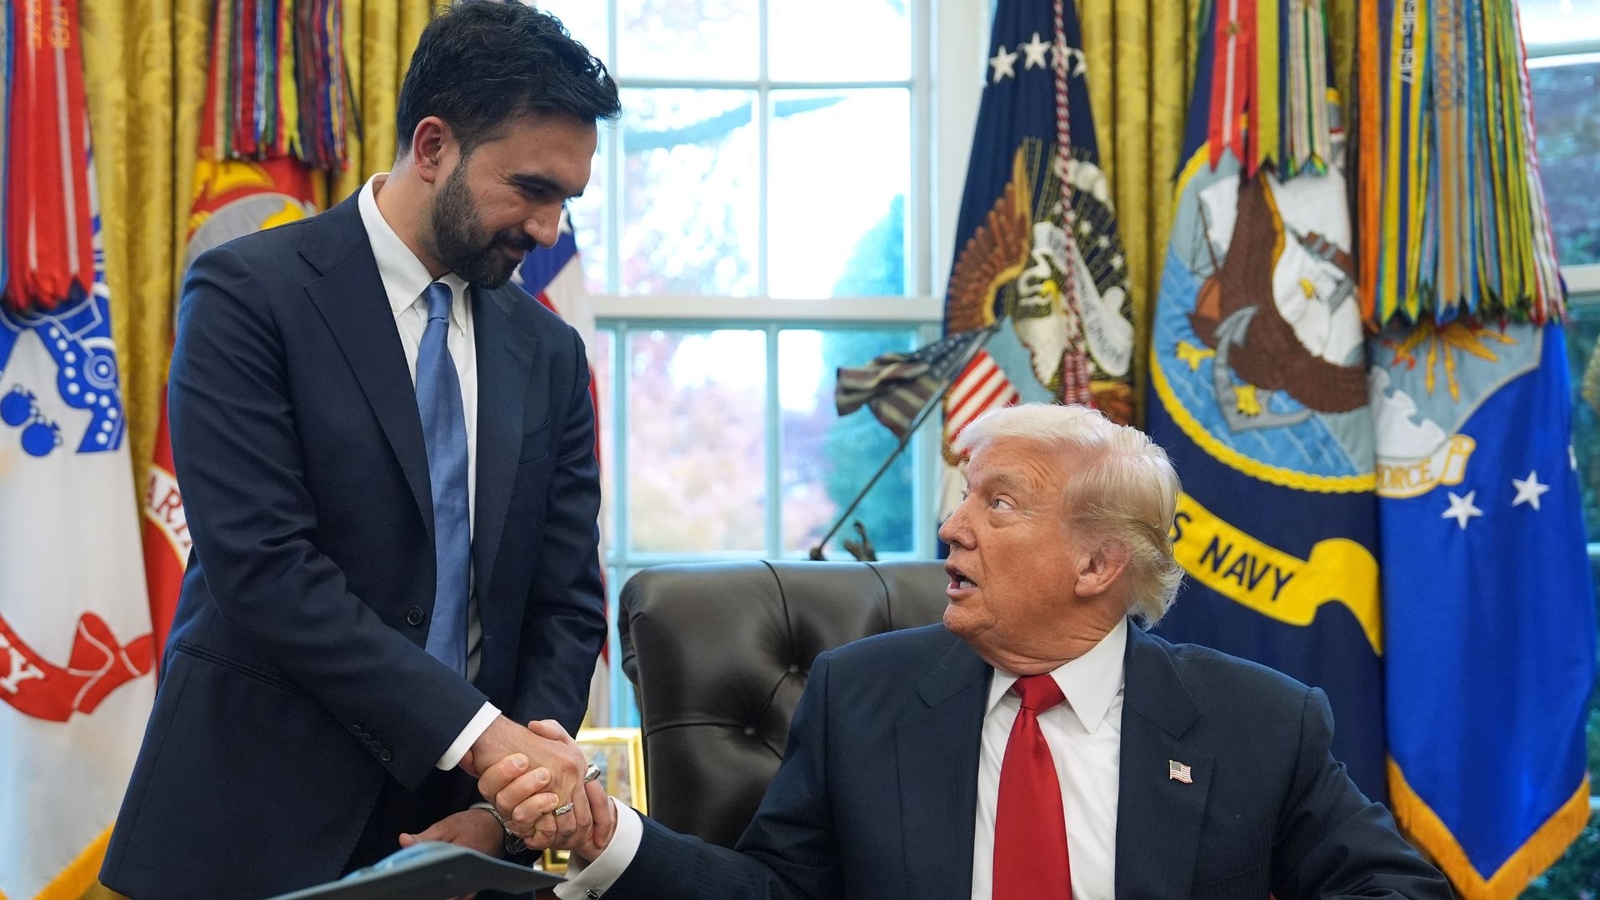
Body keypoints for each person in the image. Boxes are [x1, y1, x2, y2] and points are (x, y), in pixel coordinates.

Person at [481, 403, 1453, 900]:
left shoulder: (1257, 722)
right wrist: (605, 832)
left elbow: (1399, 889)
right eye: (962, 498)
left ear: (1098, 564)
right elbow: (772, 894)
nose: (951, 527)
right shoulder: (859, 696)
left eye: (999, 503)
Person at [100, 4, 620, 897]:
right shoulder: (247, 294)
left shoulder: (550, 351)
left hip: (461, 834)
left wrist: (504, 804)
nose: (546, 230)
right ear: (433, 146)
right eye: (532, 189)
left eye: (565, 201)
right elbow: (265, 568)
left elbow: (567, 602)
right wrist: (483, 738)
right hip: (250, 824)